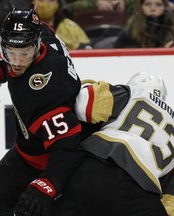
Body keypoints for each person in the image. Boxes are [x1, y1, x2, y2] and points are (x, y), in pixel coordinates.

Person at [0, 8, 87, 216]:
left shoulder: (44, 91)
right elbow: (15, 55)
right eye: (9, 53)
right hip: (29, 150)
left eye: (24, 54)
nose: (16, 62)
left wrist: (49, 183)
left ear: (36, 45)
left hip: (52, 160)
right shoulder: (42, 31)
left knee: (31, 208)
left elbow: (68, 147)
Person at [52, 71, 174, 215]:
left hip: (91, 166)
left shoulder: (133, 92)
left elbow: (83, 103)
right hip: (138, 187)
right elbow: (170, 201)